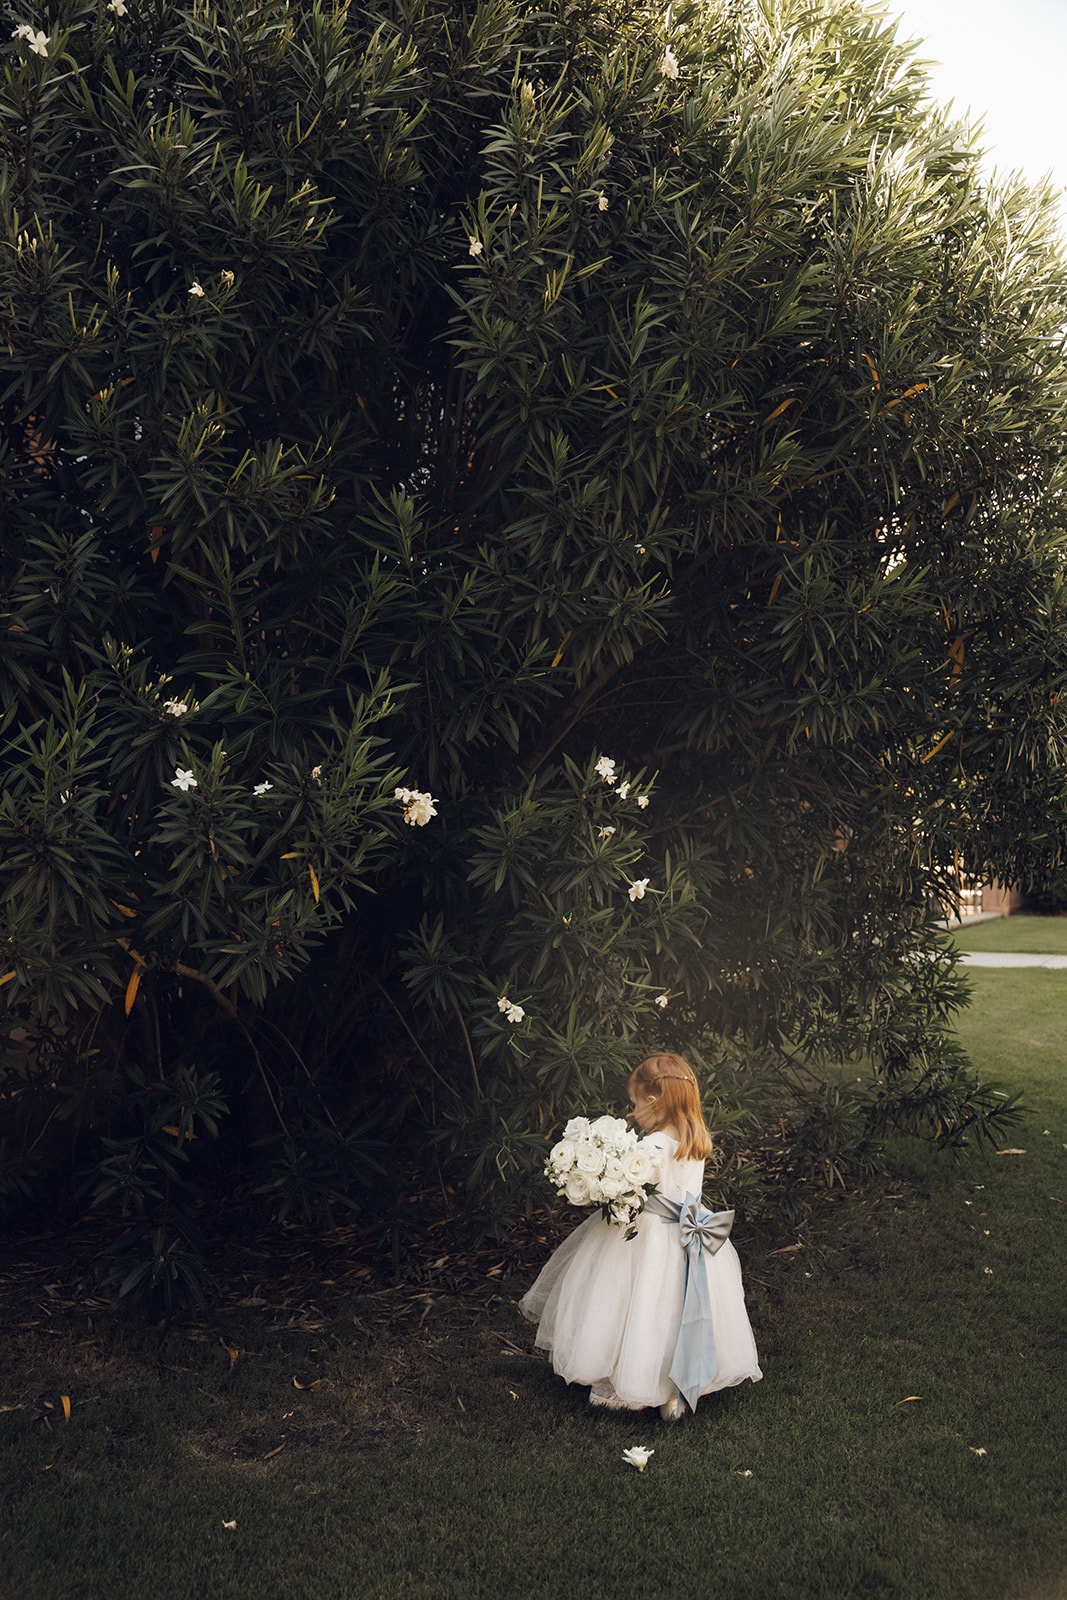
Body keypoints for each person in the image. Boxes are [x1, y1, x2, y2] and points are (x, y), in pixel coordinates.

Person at [519, 1052, 762, 1419]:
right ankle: (675, 1388)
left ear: (654, 1100)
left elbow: (630, 1186)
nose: (633, 1112)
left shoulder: (654, 1145)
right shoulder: (695, 1141)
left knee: (638, 1305)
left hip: (649, 1236)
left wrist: (604, 1181)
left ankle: (633, 1383)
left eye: (635, 1103)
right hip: (689, 1233)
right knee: (678, 1308)